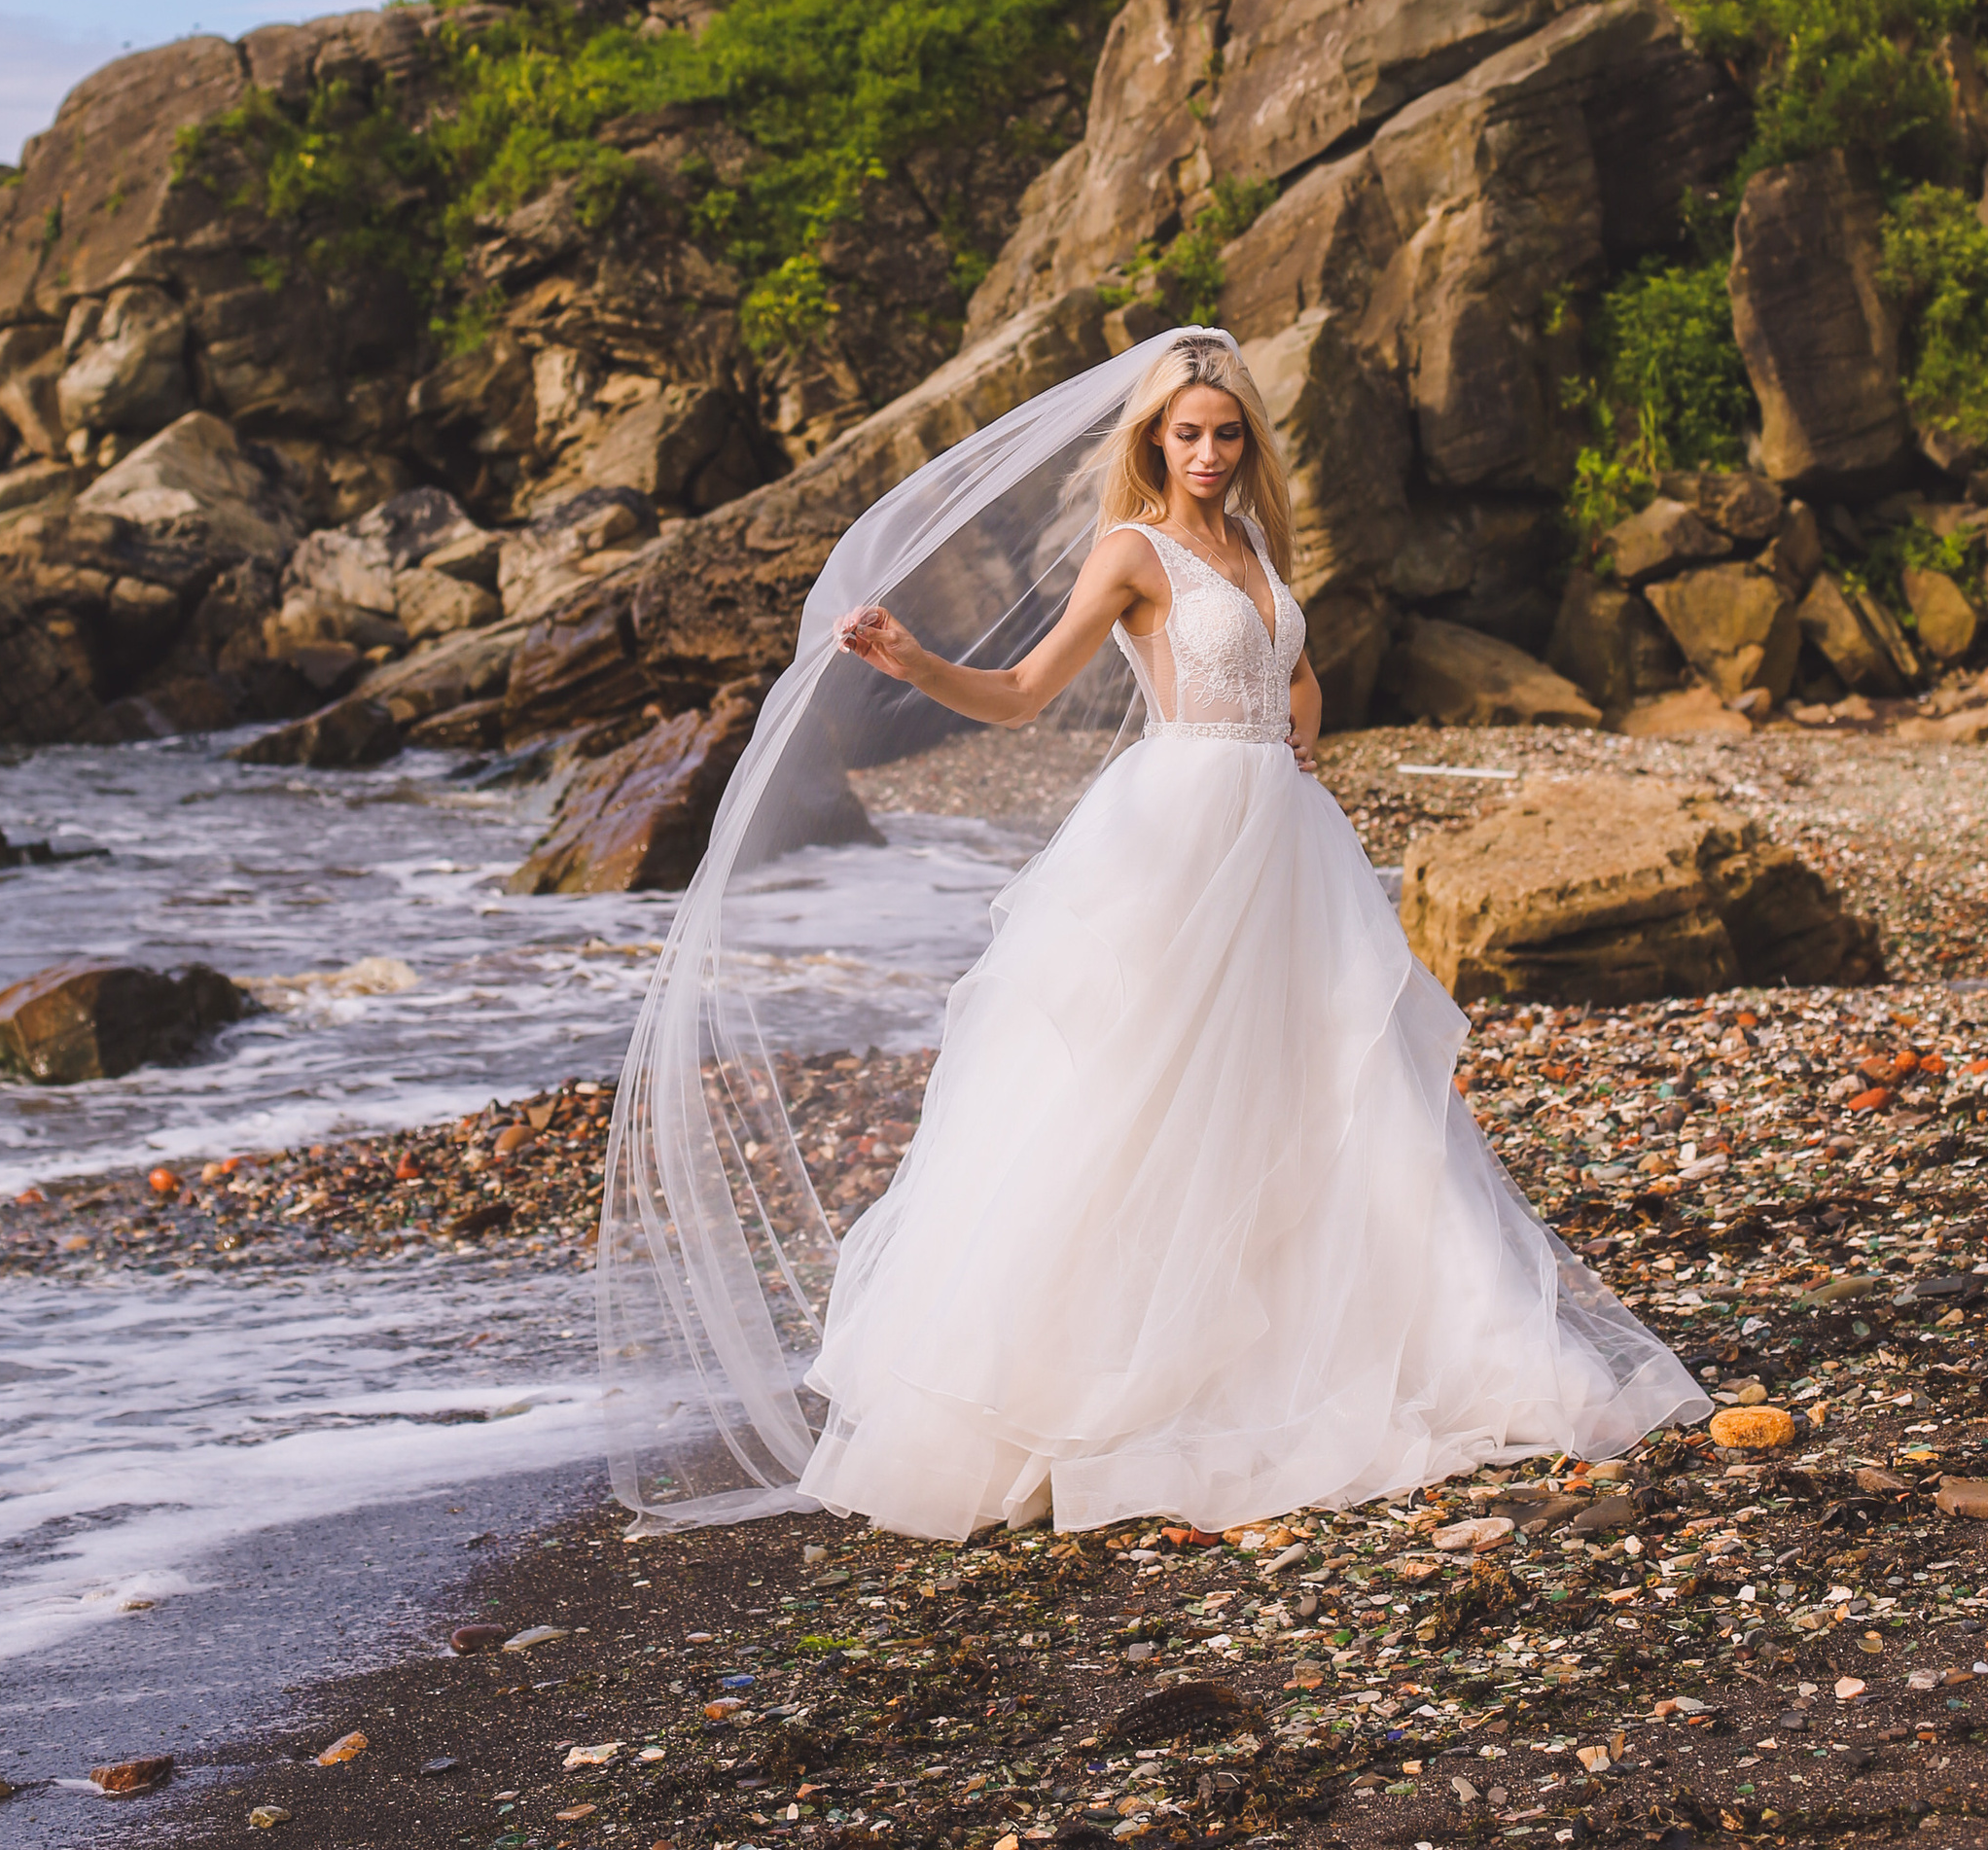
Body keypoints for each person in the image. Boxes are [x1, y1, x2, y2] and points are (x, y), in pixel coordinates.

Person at [598, 322, 1705, 1543]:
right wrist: (913, 665)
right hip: (1180, 836)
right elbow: (1021, 696)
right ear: (1153, 440)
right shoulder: (1131, 551)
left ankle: (1407, 1342)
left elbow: (1290, 663)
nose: (1211, 453)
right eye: (1189, 434)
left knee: (1333, 1086)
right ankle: (1104, 1381)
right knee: (1143, 1092)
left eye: (1227, 434)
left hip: (1284, 838)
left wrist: (1308, 714)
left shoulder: (1250, 542)